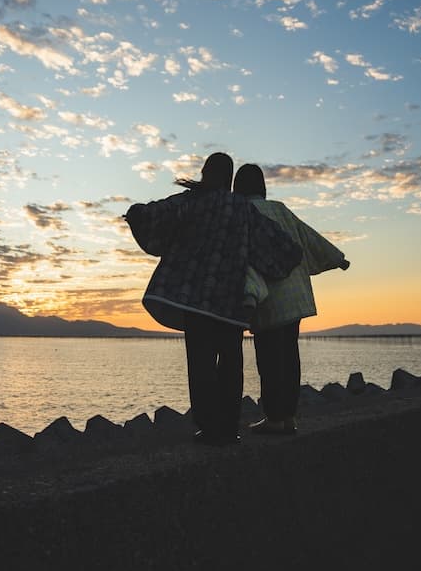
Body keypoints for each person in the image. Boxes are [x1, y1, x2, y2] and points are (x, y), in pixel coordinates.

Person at [124, 152, 303, 446]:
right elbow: (280, 246)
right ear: (230, 177)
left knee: (201, 363)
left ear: (206, 172)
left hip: (195, 299)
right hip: (232, 304)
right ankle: (230, 427)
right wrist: (286, 260)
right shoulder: (242, 209)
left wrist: (134, 212)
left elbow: (153, 214)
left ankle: (209, 427)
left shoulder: (191, 201)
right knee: (231, 362)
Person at [233, 163, 350, 436]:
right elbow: (309, 238)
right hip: (295, 296)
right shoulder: (280, 209)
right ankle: (288, 417)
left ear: (237, 187)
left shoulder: (241, 213)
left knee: (270, 359)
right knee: (289, 357)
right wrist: (337, 258)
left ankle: (274, 418)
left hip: (267, 297)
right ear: (262, 186)